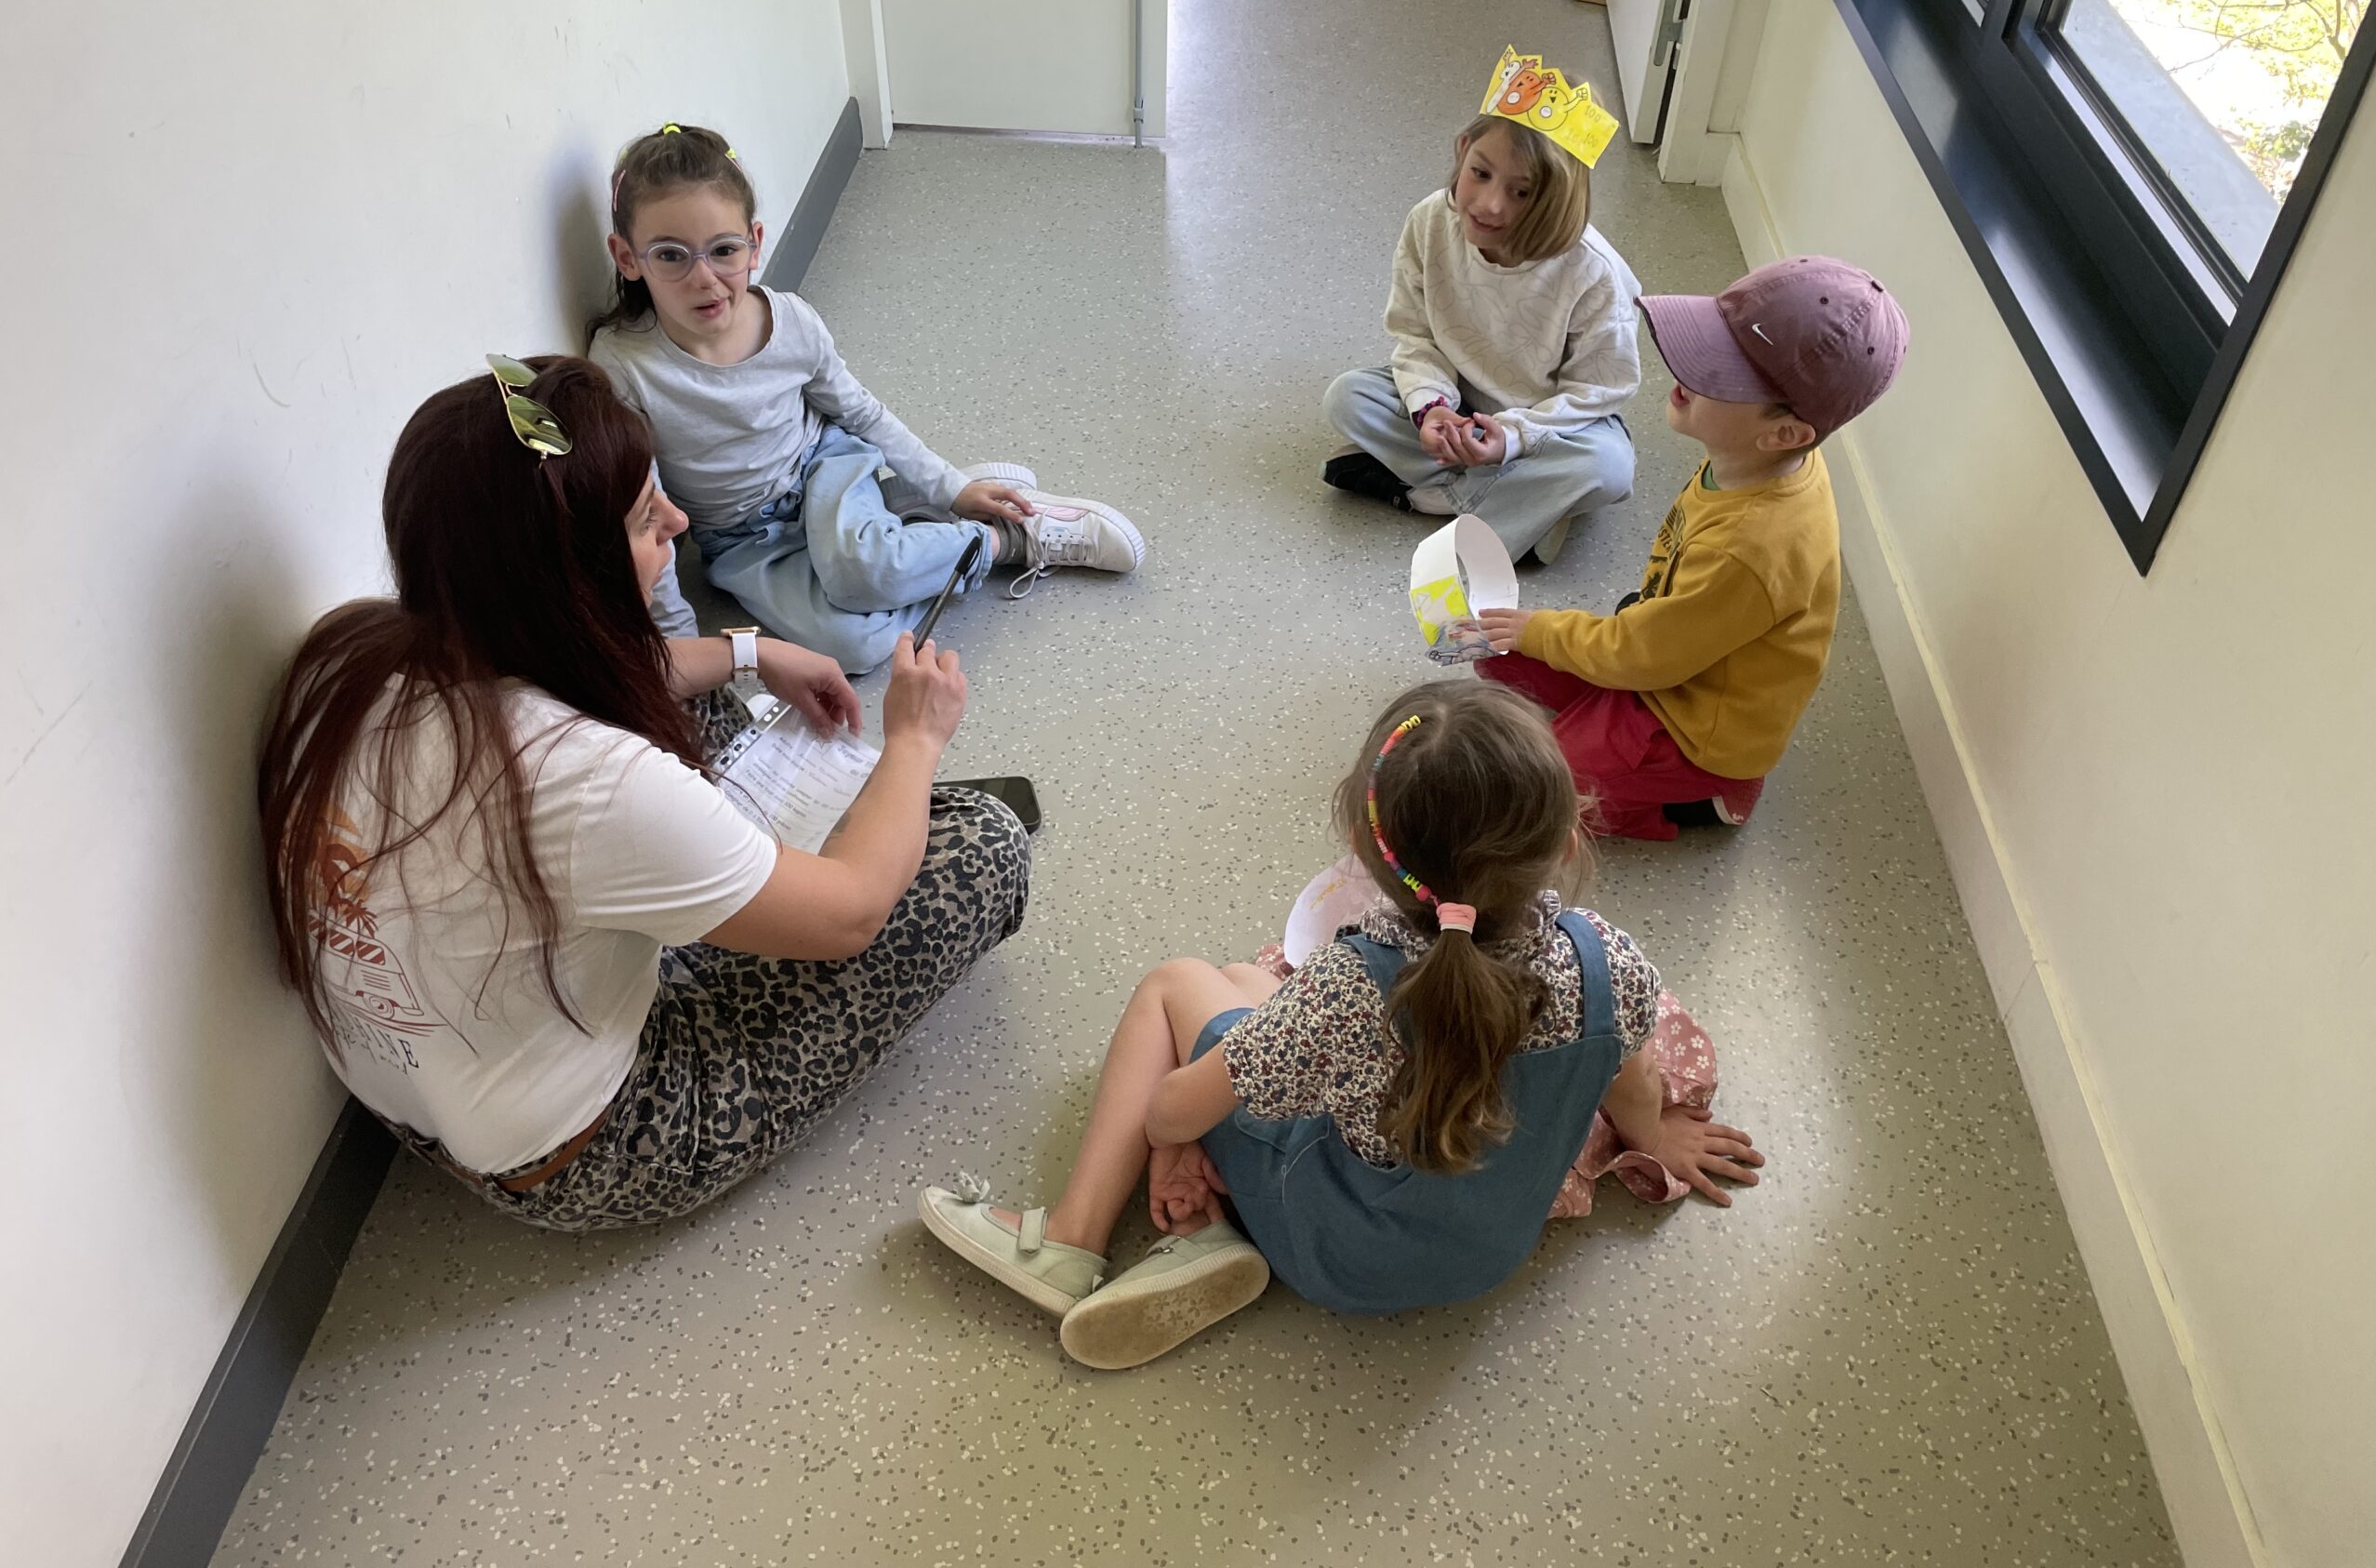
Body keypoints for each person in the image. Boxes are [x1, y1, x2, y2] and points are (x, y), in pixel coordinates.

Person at [257, 356, 1030, 1231]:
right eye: (642, 517)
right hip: (593, 1148)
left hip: (430, 1089)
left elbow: (583, 674)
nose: (678, 520)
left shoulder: (348, 654)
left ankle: (781, 849)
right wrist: (916, 740)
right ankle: (846, 830)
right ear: (569, 575)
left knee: (696, 704)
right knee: (982, 845)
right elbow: (850, 916)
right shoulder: (587, 778)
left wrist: (749, 650)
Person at [912, 682, 1760, 1368]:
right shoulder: (1607, 960)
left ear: (1364, 847)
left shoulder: (1348, 988)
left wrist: (1176, 1142)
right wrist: (1658, 1136)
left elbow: (1171, 1109)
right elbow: (1633, 1082)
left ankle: (1071, 1243)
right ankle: (1206, 1235)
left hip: (1337, 1248)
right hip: (1486, 1251)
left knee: (1177, 987)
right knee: (1247, 986)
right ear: (1569, 840)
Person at [590, 122, 1147, 672]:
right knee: (858, 646)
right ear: (627, 257)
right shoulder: (621, 367)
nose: (704, 279)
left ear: (754, 245)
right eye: (671, 255)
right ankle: (907, 523)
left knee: (860, 571)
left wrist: (950, 487)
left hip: (825, 472)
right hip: (742, 541)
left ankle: (1008, 538)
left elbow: (860, 412)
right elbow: (644, 511)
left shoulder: (790, 323)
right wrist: (677, 650)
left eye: (724, 250)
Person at [1477, 256, 1908, 840]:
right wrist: (1556, 636)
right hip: (1668, 653)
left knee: (1536, 798)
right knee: (1496, 655)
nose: (1684, 366)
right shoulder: (1754, 458)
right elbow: (1652, 641)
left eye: (1720, 372)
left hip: (1694, 728)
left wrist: (1550, 633)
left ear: (1783, 433)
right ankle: (1611, 728)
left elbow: (1646, 655)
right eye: (1707, 344)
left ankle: (1711, 796)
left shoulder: (1751, 546)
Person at [1321, 48, 1639, 564]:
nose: (1491, 205)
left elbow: (1599, 390)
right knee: (1348, 397)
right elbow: (1415, 335)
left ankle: (1428, 497)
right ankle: (1516, 513)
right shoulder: (1430, 221)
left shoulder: (1593, 271)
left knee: (1608, 468)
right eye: (1480, 173)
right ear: (1464, 148)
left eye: (1523, 192)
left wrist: (1512, 437)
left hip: (1546, 425)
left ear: (1559, 198)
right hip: (1457, 403)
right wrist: (1433, 408)